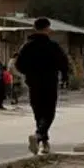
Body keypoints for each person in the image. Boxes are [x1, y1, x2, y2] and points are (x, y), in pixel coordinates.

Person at [15, 18, 69, 155]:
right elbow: (63, 63)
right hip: (49, 82)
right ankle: (39, 135)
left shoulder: (27, 47)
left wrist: (29, 73)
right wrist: (65, 77)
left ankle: (44, 142)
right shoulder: (53, 46)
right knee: (49, 112)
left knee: (38, 112)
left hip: (33, 83)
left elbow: (19, 65)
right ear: (47, 28)